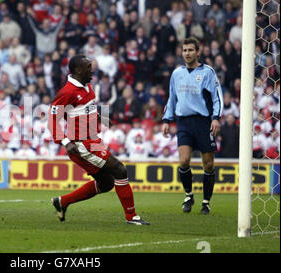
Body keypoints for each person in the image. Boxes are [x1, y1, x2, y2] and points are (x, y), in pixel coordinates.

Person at [48, 55, 149, 225]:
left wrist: (100, 117)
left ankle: (62, 202)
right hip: (82, 144)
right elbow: (52, 119)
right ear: (78, 70)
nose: (92, 69)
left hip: (93, 140)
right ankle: (132, 217)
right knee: (120, 170)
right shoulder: (67, 92)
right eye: (88, 67)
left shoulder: (87, 86)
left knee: (106, 183)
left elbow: (87, 108)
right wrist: (65, 142)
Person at [161, 37, 223, 215]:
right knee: (183, 161)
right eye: (184, 50)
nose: (187, 53)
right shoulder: (176, 73)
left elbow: (216, 97)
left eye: (190, 50)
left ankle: (206, 202)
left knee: (208, 164)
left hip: (203, 122)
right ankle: (189, 195)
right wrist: (166, 120)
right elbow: (172, 98)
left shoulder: (207, 72)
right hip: (184, 122)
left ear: (198, 51)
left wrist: (216, 118)